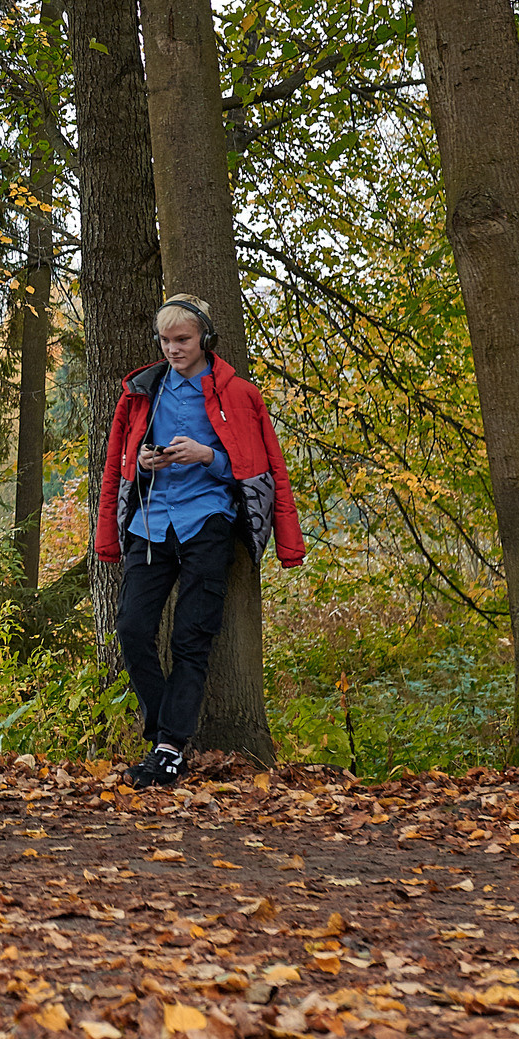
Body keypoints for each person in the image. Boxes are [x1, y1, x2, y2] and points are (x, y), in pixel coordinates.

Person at [95, 295, 305, 789]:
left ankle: (168, 750)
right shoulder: (141, 392)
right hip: (149, 523)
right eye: (165, 340)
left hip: (209, 522)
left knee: (191, 638)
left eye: (182, 339)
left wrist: (206, 455)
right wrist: (144, 464)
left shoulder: (240, 395)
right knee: (130, 628)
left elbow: (262, 471)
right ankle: (162, 732)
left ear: (205, 339)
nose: (172, 349)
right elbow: (114, 467)